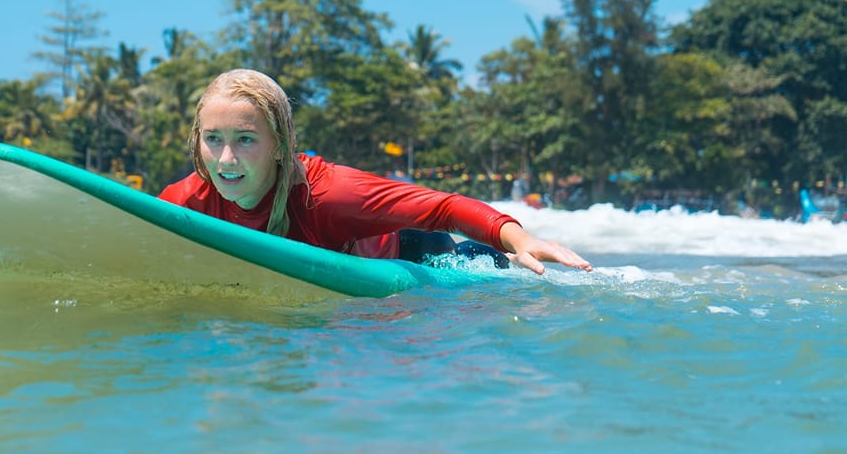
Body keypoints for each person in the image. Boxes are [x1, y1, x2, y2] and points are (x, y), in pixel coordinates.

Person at [158, 69, 591, 275]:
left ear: (280, 146)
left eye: (246, 139)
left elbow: (443, 207)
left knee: (484, 271)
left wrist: (521, 238)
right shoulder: (185, 200)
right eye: (213, 138)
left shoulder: (327, 195)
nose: (226, 159)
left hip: (417, 253)